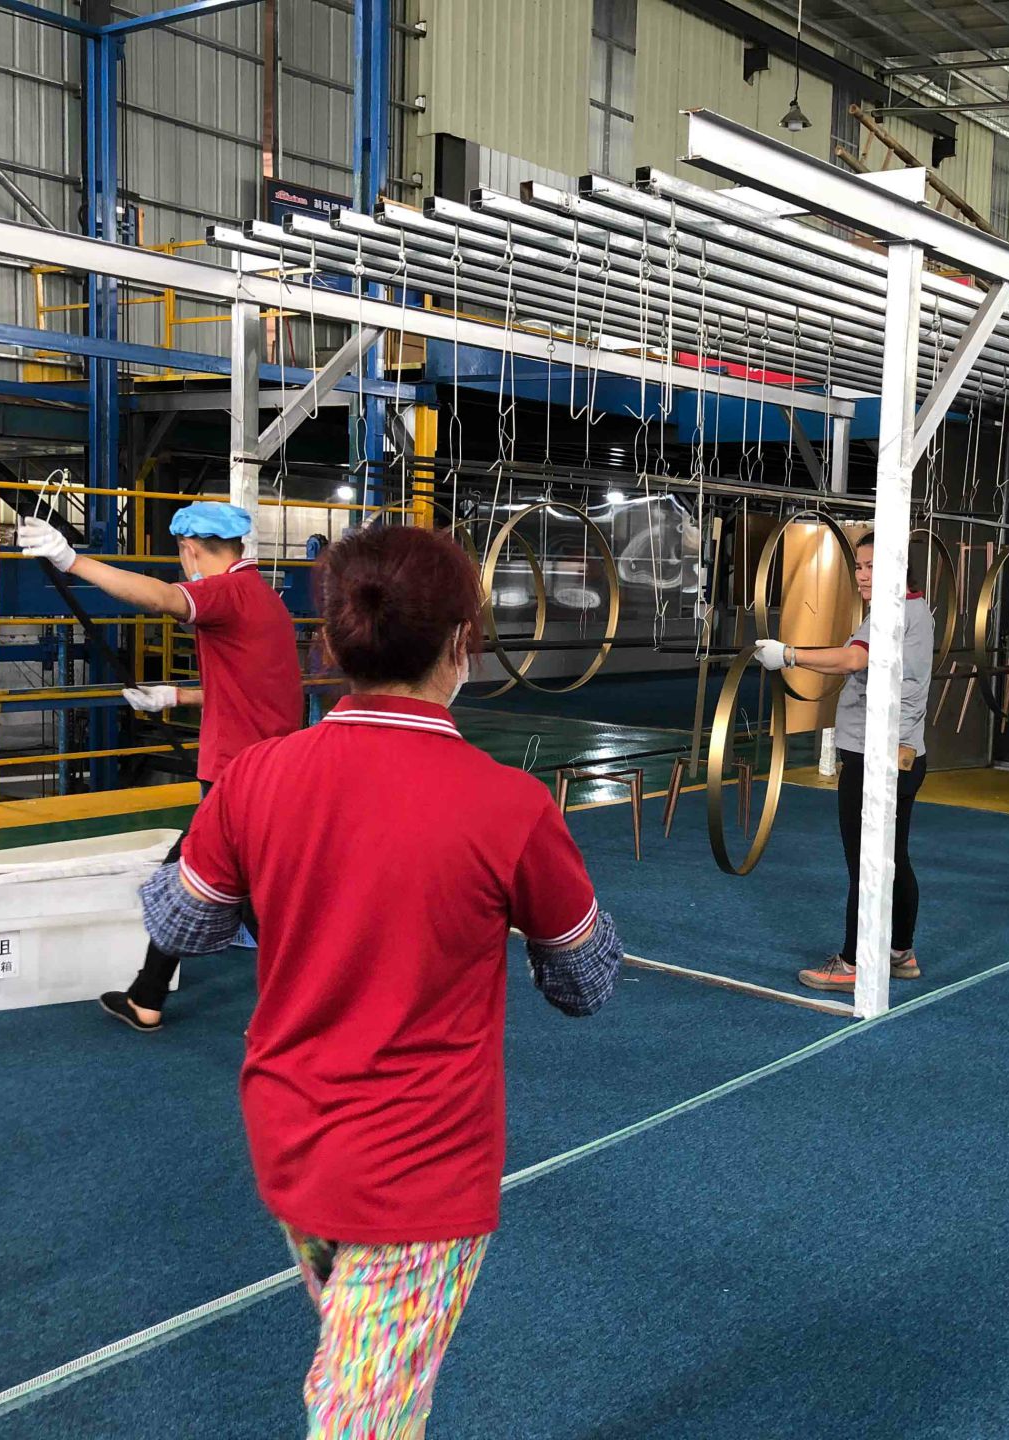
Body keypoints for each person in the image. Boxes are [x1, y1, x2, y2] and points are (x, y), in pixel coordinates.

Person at [138, 524, 622, 1436]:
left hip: (292, 1137)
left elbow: (181, 924)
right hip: (422, 1167)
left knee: (365, 1371)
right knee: (364, 1411)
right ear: (462, 641)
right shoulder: (509, 805)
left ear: (333, 639)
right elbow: (584, 983)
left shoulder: (256, 777)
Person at [17, 501, 303, 1031]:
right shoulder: (263, 598)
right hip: (266, 766)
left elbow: (162, 598)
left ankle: (304, 1007)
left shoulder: (226, 593)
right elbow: (255, 687)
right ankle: (147, 994)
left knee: (227, 886)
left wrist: (72, 562)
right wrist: (176, 695)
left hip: (235, 772)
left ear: (189, 549)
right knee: (191, 872)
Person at [754, 532, 934, 992]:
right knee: (892, 857)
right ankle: (900, 950)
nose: (862, 576)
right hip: (903, 756)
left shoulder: (893, 613)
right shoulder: (915, 609)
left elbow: (852, 660)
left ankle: (854, 961)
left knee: (866, 861)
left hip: (877, 758)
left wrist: (788, 655)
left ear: (898, 568)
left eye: (872, 566)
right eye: (859, 566)